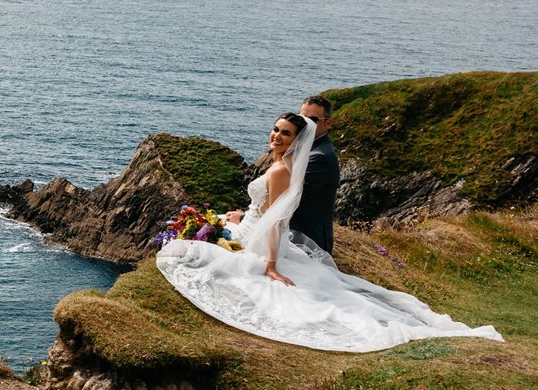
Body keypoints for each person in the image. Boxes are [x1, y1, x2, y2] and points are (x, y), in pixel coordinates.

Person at [156, 112, 503, 353]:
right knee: (205, 229)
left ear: (296, 140)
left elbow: (276, 221)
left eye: (285, 133)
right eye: (276, 129)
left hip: (261, 241)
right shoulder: (280, 165)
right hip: (250, 226)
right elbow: (265, 210)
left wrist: (272, 265)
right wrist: (240, 215)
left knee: (188, 255)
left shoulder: (279, 171)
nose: (277, 135)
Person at [292, 94, 339, 254]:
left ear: (328, 123)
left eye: (312, 120)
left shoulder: (320, 157)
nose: (305, 124)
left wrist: (247, 220)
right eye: (301, 118)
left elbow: (293, 199)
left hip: (306, 240)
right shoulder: (306, 146)